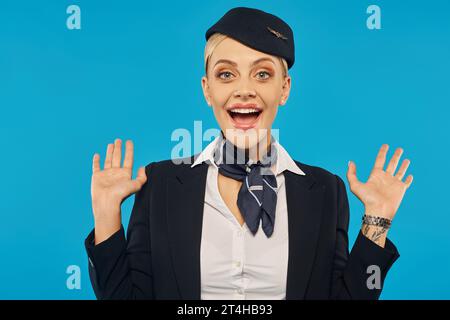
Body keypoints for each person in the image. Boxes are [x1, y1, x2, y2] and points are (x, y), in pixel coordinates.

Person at [85, 7, 413, 300]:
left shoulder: (326, 191)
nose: (244, 90)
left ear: (284, 89)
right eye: (226, 74)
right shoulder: (160, 183)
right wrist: (105, 214)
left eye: (262, 74)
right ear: (207, 89)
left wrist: (377, 220)